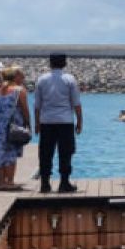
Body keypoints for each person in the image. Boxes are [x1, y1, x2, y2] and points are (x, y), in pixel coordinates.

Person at [34, 53, 82, 193]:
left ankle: (45, 183)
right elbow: (76, 103)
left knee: (45, 153)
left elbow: (37, 105)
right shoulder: (69, 79)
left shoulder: (42, 80)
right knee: (66, 152)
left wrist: (37, 123)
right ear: (64, 63)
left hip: (46, 121)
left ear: (50, 63)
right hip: (65, 121)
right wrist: (79, 121)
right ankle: (64, 182)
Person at [0, 66, 30, 191]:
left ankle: (2, 181)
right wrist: (28, 123)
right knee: (11, 154)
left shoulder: (0, 89)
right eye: (20, 75)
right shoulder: (19, 90)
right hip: (13, 126)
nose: (22, 77)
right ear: (15, 76)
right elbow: (24, 109)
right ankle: (10, 181)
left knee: (1, 153)